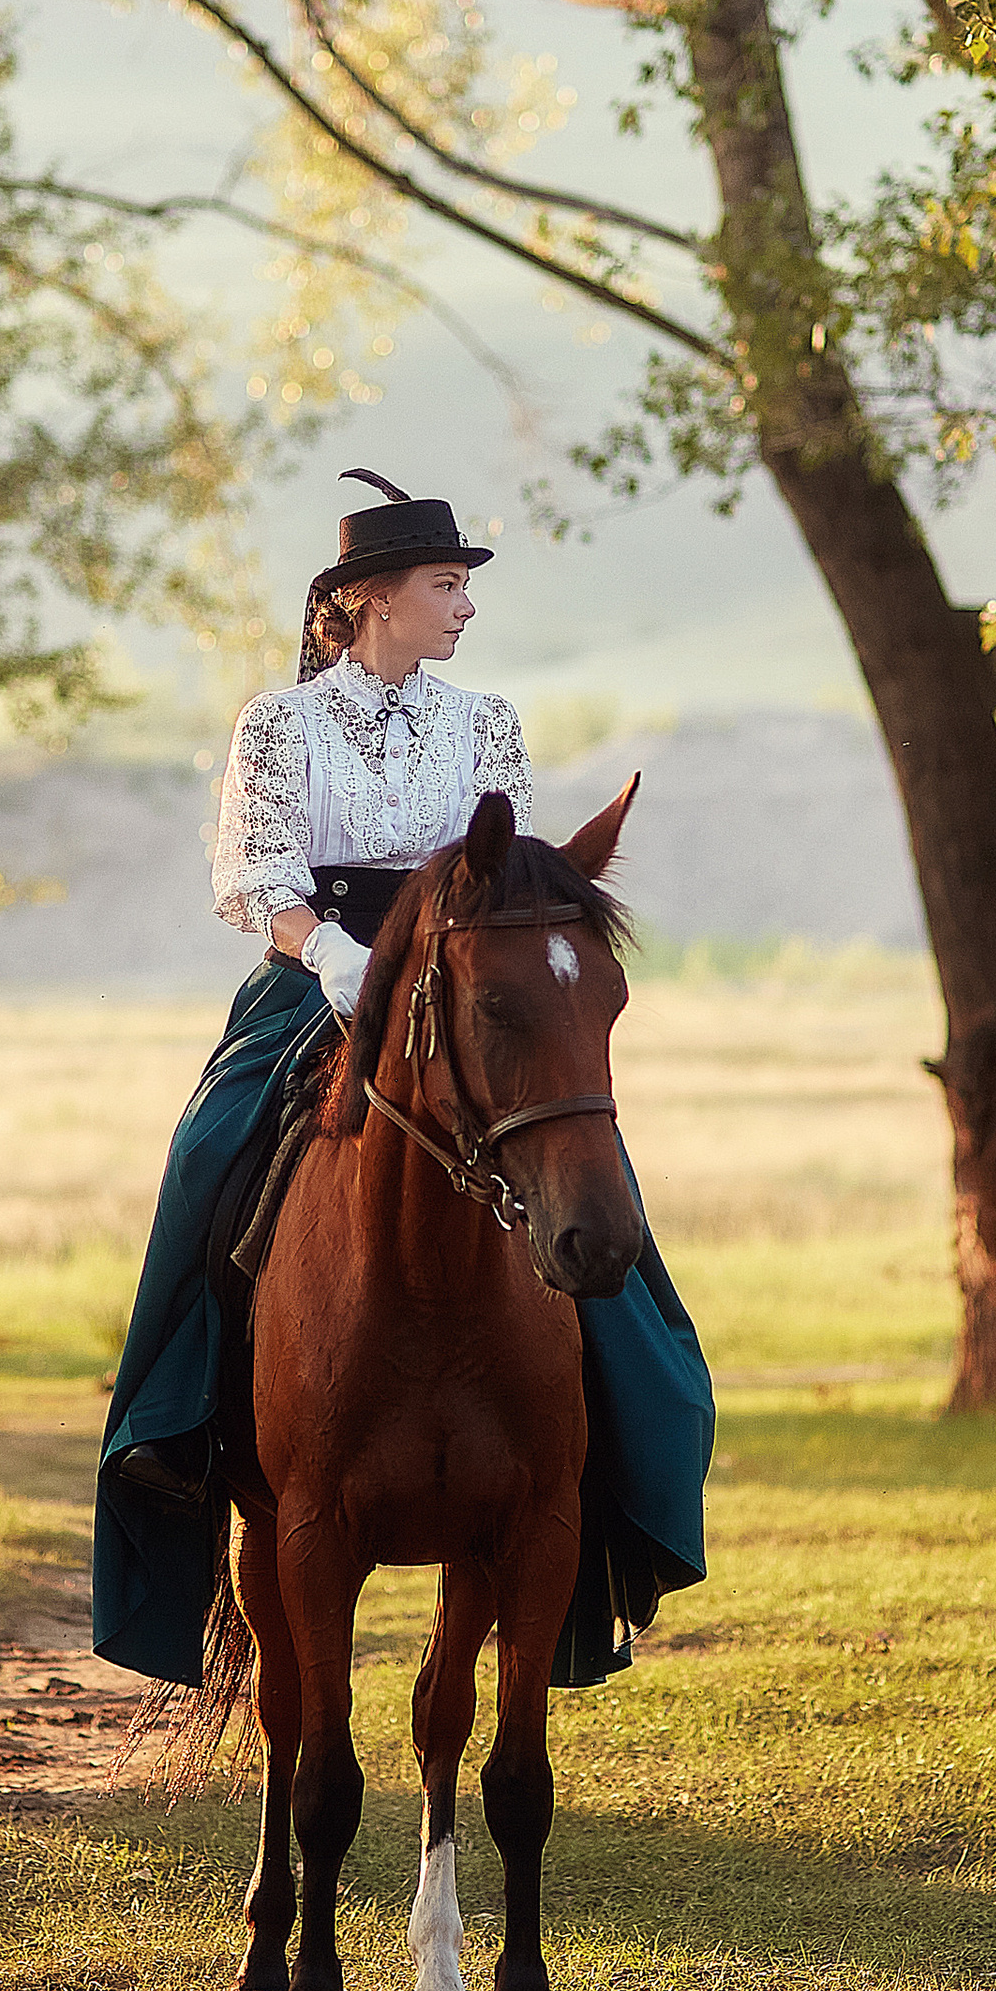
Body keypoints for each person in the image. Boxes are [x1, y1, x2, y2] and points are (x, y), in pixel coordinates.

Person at [91, 470, 716, 1692]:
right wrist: (337, 960)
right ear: (369, 601)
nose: (465, 609)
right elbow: (254, 875)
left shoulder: (487, 719)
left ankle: (629, 1444)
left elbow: (507, 875)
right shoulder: (276, 722)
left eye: (464, 588)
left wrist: (438, 964)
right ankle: (174, 1423)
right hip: (312, 978)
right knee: (207, 1153)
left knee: (579, 1167)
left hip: (463, 982)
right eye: (447, 586)